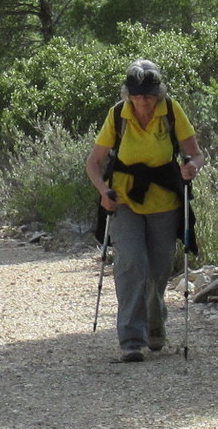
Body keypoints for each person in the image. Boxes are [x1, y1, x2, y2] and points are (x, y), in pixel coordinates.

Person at [85, 59, 205, 363]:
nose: (143, 102)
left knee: (159, 268)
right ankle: (131, 340)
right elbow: (94, 162)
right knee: (131, 262)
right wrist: (103, 192)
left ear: (159, 93)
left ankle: (155, 326)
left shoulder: (171, 111)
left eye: (149, 96)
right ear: (128, 94)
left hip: (164, 200)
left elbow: (196, 155)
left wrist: (190, 168)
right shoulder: (117, 114)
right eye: (137, 96)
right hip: (124, 198)